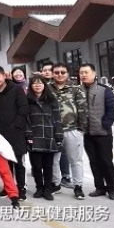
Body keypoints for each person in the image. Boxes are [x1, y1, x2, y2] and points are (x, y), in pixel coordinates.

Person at [0, 65, 28, 201]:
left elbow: (23, 108)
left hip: (16, 132)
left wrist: (17, 125)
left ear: (4, 76)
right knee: (5, 163)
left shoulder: (16, 89)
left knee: (18, 163)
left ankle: (21, 189)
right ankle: (8, 187)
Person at [79, 63, 114, 200]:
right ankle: (100, 188)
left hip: (103, 134)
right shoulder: (78, 91)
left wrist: (105, 124)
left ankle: (112, 189)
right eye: (81, 73)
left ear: (94, 74)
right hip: (87, 134)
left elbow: (113, 109)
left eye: (86, 72)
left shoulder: (104, 90)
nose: (83, 75)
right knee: (94, 161)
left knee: (106, 161)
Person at [49, 62, 87, 199]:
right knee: (54, 160)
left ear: (68, 74)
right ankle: (55, 184)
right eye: (57, 72)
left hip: (72, 130)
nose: (59, 75)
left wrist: (81, 129)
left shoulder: (76, 89)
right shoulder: (47, 89)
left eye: (63, 72)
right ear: (53, 74)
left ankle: (78, 186)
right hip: (53, 131)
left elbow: (82, 109)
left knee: (75, 160)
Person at [25, 75, 62, 201]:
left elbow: (57, 119)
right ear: (31, 86)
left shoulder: (51, 100)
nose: (37, 85)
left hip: (49, 136)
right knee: (36, 166)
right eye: (34, 83)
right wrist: (28, 134)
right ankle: (39, 188)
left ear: (44, 85)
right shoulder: (27, 100)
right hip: (34, 137)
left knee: (48, 166)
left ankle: (47, 190)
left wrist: (58, 136)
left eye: (40, 83)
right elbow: (26, 119)